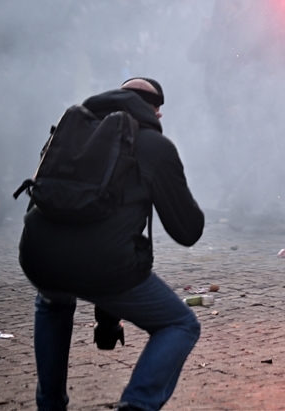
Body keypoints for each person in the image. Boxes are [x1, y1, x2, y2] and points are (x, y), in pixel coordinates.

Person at [18, 78, 204, 411]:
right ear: (156, 113)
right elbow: (186, 231)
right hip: (106, 265)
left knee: (53, 299)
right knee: (179, 324)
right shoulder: (154, 146)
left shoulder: (71, 129)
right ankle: (137, 404)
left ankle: (49, 405)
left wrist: (107, 322)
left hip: (39, 254)